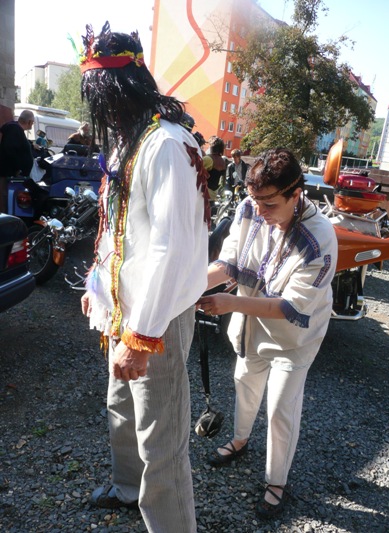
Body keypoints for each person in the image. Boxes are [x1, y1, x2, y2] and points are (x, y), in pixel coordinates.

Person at [79, 22, 210, 533]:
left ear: (120, 90)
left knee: (161, 438)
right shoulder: (129, 142)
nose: (102, 113)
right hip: (125, 311)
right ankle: (126, 488)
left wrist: (141, 336)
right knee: (120, 408)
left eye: (102, 99)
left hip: (156, 320)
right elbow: (117, 228)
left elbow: (170, 248)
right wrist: (97, 288)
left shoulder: (167, 145)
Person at [197, 148, 338, 520]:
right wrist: (189, 287)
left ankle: (277, 481)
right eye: (255, 200)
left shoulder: (319, 238)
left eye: (269, 204)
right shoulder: (250, 207)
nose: (259, 211)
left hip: (295, 337)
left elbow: (290, 306)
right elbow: (229, 264)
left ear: (296, 194)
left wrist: (229, 303)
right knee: (244, 382)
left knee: (280, 407)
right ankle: (240, 440)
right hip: (252, 323)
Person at [0, 109, 35, 212]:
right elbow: (10, 149)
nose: (32, 124)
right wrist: (18, 168)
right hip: (8, 173)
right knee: (6, 197)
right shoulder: (14, 129)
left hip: (10, 173)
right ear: (29, 122)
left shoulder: (15, 129)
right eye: (32, 122)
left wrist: (31, 144)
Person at [203, 136, 226, 201]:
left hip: (203, 193)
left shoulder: (208, 159)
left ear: (212, 147)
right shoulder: (222, 161)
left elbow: (195, 171)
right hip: (214, 194)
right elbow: (222, 181)